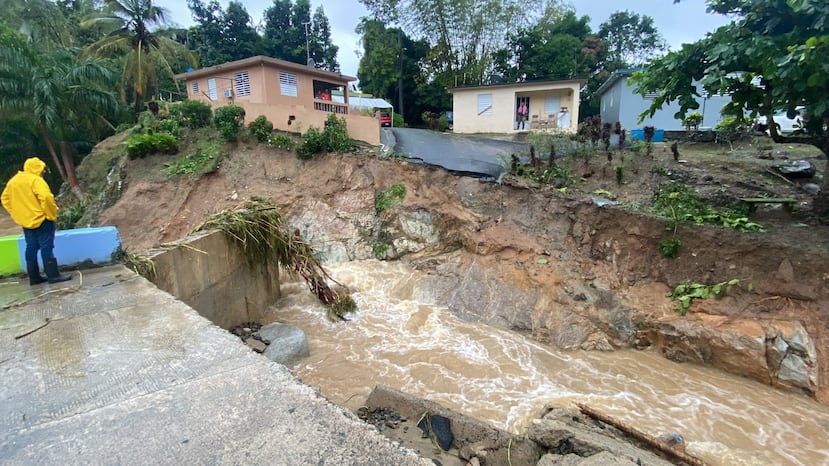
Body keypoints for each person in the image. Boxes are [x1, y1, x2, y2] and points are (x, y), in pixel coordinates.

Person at [1, 157, 71, 285]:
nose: (44, 171)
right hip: (42, 219)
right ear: (37, 168)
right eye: (43, 168)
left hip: (26, 221)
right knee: (47, 246)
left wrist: (17, 213)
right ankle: (53, 276)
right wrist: (50, 214)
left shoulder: (14, 181)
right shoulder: (36, 180)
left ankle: (34, 278)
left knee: (31, 247)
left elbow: (5, 199)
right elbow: (46, 198)